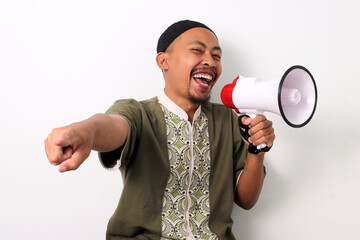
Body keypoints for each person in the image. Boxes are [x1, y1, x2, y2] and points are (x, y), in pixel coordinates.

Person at [44, 20, 275, 240]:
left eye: (216, 56)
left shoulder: (228, 119)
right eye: (198, 50)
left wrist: (256, 151)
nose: (211, 62)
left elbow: (246, 200)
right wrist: (86, 131)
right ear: (163, 61)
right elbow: (112, 124)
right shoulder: (138, 112)